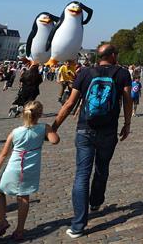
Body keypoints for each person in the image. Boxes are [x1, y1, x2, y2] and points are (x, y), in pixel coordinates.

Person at [52, 44, 132, 239]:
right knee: (102, 168)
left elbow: (70, 103)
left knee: (81, 175)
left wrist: (53, 126)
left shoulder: (85, 72)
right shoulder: (122, 73)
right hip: (108, 130)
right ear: (113, 56)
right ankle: (96, 201)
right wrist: (127, 123)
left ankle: (78, 225)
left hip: (85, 129)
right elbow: (128, 99)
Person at [0, 101, 60, 240]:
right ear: (40, 114)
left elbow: (3, 154)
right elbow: (55, 140)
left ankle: (2, 221)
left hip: (13, 167)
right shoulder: (43, 128)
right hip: (30, 168)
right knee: (24, 197)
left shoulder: (15, 132)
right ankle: (19, 230)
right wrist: (50, 129)